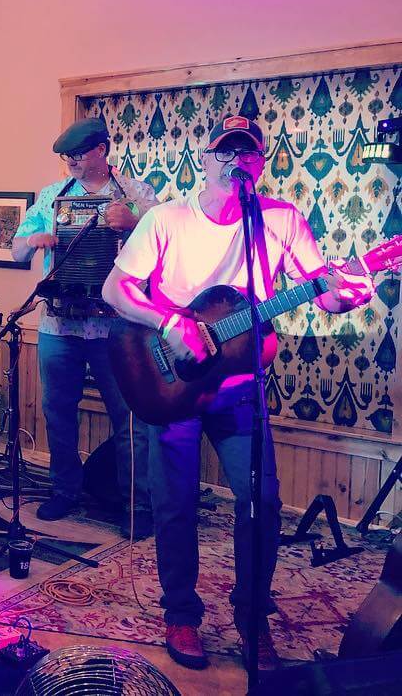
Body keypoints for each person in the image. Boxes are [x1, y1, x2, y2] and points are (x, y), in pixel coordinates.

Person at [102, 114, 374, 671]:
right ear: (205, 160)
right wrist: (169, 323)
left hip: (240, 389)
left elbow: (323, 292)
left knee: (262, 503)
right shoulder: (166, 219)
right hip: (171, 382)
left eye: (247, 153)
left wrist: (349, 291)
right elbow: (116, 288)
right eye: (225, 152)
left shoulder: (280, 220)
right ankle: (181, 613)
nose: (235, 162)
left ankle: (253, 617)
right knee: (174, 504)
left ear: (260, 163)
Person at [11, 118, 157, 537]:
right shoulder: (51, 197)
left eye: (78, 153)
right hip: (60, 324)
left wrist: (133, 222)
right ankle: (64, 491)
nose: (71, 161)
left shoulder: (138, 195)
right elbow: (16, 250)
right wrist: (33, 242)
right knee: (58, 413)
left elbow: (166, 248)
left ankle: (137, 505)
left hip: (116, 326)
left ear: (101, 150)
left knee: (129, 417)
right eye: (66, 156)